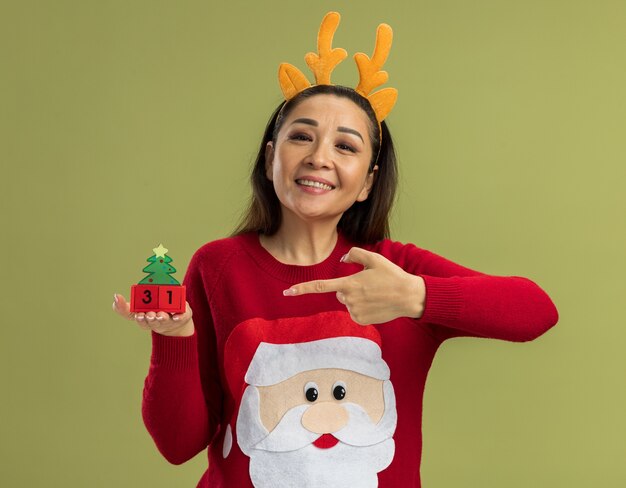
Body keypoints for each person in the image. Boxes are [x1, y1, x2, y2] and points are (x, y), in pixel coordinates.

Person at [112, 12, 558, 488]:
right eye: (301, 136)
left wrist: (416, 297)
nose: (319, 156)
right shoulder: (218, 267)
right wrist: (175, 337)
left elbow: (536, 311)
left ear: (368, 181)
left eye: (346, 146)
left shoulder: (396, 271)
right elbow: (178, 446)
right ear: (270, 158)